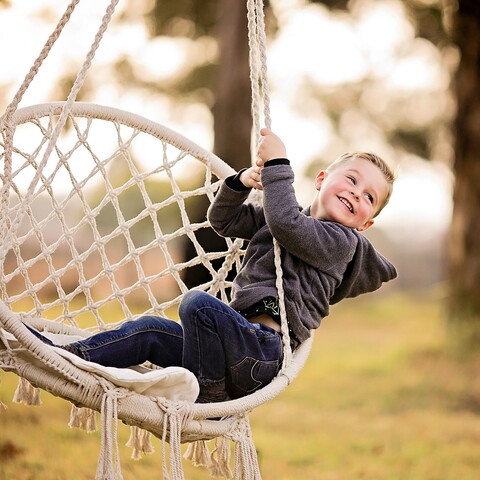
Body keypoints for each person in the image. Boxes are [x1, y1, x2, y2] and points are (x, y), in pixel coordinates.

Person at [26, 128, 397, 404]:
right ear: (322, 180)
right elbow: (223, 221)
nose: (356, 192)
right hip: (226, 347)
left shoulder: (341, 244)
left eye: (369, 197)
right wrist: (239, 183)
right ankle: (68, 357)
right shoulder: (282, 219)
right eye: (351, 179)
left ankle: (209, 399)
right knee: (150, 330)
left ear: (366, 224)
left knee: (197, 304)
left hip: (261, 353)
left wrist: (278, 163)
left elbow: (287, 224)